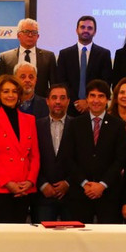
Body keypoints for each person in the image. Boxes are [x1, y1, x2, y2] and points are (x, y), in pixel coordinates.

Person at [62, 80, 126, 223]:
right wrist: (85, 183)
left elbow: (120, 159)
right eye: (92, 96)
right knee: (79, 240)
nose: (96, 100)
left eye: (101, 96)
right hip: (80, 193)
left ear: (108, 100)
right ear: (86, 98)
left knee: (109, 241)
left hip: (109, 194)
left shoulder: (118, 125)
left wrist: (102, 185)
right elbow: (68, 158)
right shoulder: (74, 124)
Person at [0, 75, 40, 223]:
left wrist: (30, 181)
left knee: (20, 238)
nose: (10, 95)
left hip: (24, 188)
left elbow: (35, 155)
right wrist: (8, 183)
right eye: (6, 91)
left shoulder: (30, 119)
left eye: (14, 91)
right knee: (1, 239)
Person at [57, 15, 113, 116]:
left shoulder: (104, 54)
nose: (86, 30)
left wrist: (88, 101)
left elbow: (105, 82)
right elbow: (62, 81)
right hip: (70, 107)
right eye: (82, 27)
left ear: (95, 32)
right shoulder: (65, 54)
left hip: (95, 107)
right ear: (76, 30)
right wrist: (77, 102)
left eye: (90, 28)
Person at [34, 84, 73, 222]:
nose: (58, 102)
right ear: (47, 101)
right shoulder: (35, 126)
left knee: (73, 241)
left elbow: (81, 159)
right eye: (54, 98)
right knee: (43, 241)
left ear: (68, 101)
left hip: (71, 196)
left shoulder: (78, 126)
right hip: (43, 195)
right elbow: (31, 158)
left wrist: (68, 183)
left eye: (62, 98)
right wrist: (42, 184)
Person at [0, 18, 57, 98]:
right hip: (13, 102)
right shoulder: (6, 57)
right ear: (18, 35)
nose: (30, 35)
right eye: (26, 32)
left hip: (40, 105)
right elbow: (0, 84)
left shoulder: (48, 57)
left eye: (34, 32)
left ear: (38, 36)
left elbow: (54, 85)